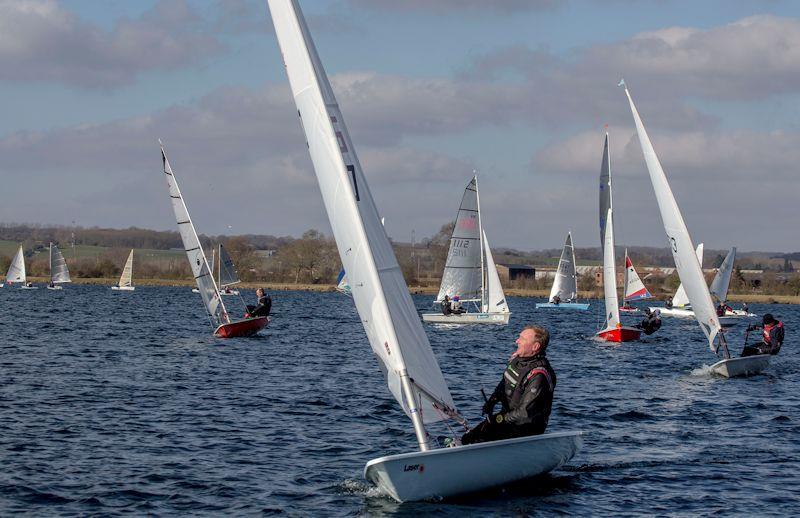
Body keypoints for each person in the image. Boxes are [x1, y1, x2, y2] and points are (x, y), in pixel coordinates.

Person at [461, 325, 556, 445]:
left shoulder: (538, 375)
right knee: (468, 438)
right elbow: (505, 383)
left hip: (526, 429)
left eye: (522, 339)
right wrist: (492, 402)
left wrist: (500, 419)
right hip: (507, 421)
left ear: (535, 346)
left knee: (478, 441)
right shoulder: (517, 360)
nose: (517, 341)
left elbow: (524, 413)